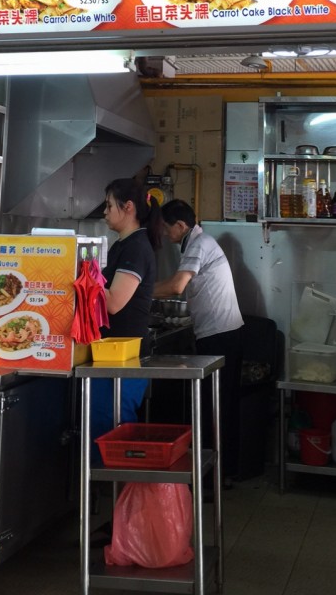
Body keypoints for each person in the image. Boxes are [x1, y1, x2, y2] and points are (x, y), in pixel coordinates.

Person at [156, 199, 244, 484]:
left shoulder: (198, 244)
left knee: (215, 406)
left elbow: (177, 286)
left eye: (167, 229)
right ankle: (224, 471)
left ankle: (215, 475)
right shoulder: (199, 242)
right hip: (224, 333)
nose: (166, 235)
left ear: (181, 226)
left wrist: (134, 291)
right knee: (220, 405)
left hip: (220, 336)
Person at [90, 177, 163, 449]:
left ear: (128, 207)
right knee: (103, 425)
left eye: (109, 206)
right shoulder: (123, 244)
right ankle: (106, 487)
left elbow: (113, 303)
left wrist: (85, 275)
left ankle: (118, 490)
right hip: (111, 352)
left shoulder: (136, 247)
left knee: (113, 426)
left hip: (125, 355)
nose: (105, 212)